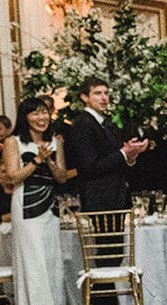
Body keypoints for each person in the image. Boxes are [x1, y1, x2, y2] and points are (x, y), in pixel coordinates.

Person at [0, 97, 72, 305]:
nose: (41, 118)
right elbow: (12, 177)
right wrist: (36, 161)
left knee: (51, 262)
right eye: (35, 113)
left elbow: (61, 178)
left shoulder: (55, 141)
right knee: (33, 262)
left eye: (44, 113)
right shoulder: (13, 141)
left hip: (50, 207)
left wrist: (49, 160)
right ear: (25, 117)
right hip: (25, 205)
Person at [63, 77, 146, 213]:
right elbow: (89, 166)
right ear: (85, 97)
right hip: (98, 198)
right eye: (97, 93)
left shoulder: (106, 124)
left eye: (106, 93)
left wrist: (131, 155)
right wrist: (123, 153)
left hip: (115, 197)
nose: (104, 98)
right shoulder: (83, 124)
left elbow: (113, 158)